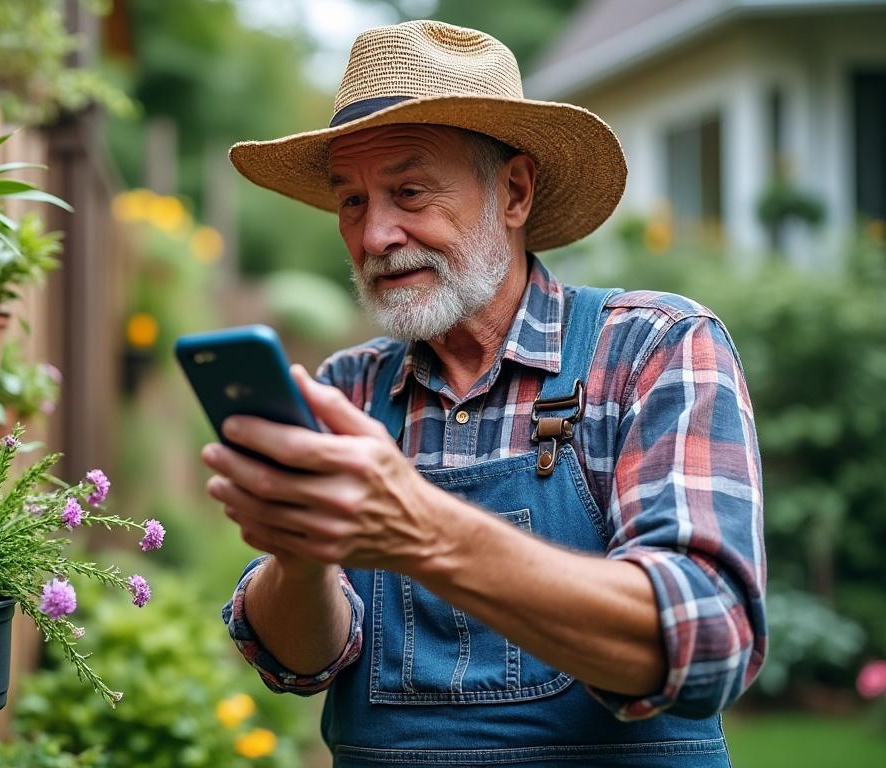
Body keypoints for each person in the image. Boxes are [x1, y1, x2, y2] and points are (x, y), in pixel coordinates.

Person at [204, 20, 765, 768]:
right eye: (352, 202)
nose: (374, 235)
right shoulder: (349, 388)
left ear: (515, 192)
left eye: (409, 191)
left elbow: (707, 641)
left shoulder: (651, 350)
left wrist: (419, 529)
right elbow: (294, 664)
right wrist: (302, 553)